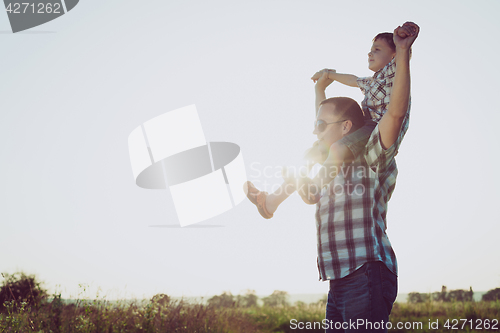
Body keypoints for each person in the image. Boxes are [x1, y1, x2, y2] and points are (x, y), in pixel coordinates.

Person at [297, 22, 419, 332]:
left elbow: (395, 114)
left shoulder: (370, 156)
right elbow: (327, 126)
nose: (316, 130)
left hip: (365, 273)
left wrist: (402, 53)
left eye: (322, 125)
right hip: (338, 278)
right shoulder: (332, 163)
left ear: (345, 128)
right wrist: (320, 89)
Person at [244, 23, 415, 217]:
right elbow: (351, 81)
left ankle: (314, 188)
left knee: (336, 148)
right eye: (370, 50)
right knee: (315, 150)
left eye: (377, 50)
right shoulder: (370, 82)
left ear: (393, 56)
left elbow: (403, 61)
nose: (370, 53)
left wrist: (403, 44)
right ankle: (271, 202)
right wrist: (328, 75)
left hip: (379, 128)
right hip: (366, 127)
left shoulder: (394, 72)